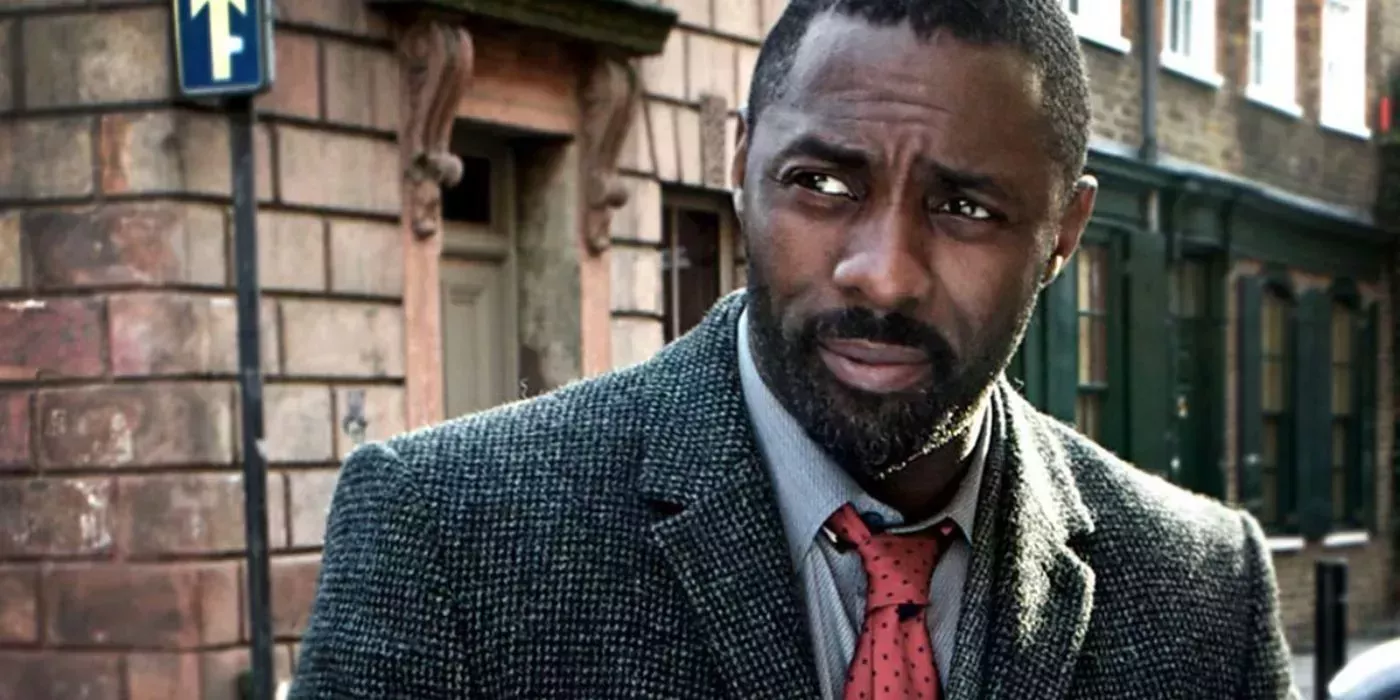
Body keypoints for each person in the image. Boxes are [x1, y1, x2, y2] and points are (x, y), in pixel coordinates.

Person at [290, 0, 1300, 697]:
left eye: (964, 207)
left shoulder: (1205, 593)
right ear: (740, 163)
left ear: (1064, 232)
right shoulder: (444, 532)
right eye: (822, 184)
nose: (883, 274)